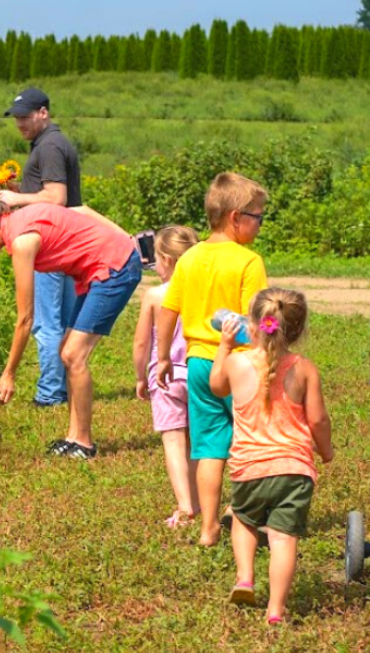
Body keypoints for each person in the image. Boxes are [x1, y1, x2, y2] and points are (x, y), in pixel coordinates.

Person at [0, 200, 141, 459]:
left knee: (74, 355)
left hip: (114, 267)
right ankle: (73, 437)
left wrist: (9, 374)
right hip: (95, 271)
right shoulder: (18, 222)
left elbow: (25, 319)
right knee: (66, 351)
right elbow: (75, 212)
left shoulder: (21, 241)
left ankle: (84, 444)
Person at [155, 172, 269, 546]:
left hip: (199, 364)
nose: (259, 224)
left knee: (207, 448)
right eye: (257, 217)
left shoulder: (189, 258)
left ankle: (207, 528)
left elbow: (168, 310)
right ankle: (241, 515)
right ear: (236, 217)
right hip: (238, 366)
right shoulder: (248, 261)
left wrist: (163, 358)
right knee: (249, 440)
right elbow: (258, 321)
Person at [209, 289, 333, 625]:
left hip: (249, 467)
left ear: (252, 323)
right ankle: (276, 610)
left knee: (244, 521)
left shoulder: (236, 362)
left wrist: (224, 346)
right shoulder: (304, 368)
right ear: (297, 330)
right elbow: (318, 419)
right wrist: (326, 451)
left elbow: (217, 387)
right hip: (294, 469)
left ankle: (245, 579)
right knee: (282, 538)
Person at [0, 88, 81, 408]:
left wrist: (16, 199)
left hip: (50, 244)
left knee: (46, 322)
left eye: (26, 116)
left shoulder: (50, 146)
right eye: (16, 117)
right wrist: (21, 189)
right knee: (68, 320)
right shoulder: (49, 144)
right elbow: (49, 192)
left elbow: (56, 198)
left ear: (43, 112)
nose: (20, 123)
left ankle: (50, 393)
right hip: (66, 242)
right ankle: (64, 385)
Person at [133, 225, 200, 527]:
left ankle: (185, 509)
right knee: (200, 442)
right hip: (200, 372)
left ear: (167, 260)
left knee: (174, 442)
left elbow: (141, 343)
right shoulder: (203, 294)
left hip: (166, 377)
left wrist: (138, 377)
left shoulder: (154, 295)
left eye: (156, 259)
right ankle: (204, 504)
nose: (154, 266)